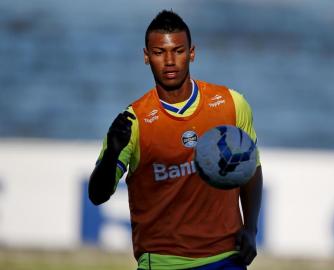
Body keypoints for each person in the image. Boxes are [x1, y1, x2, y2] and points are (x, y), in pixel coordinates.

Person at [89, 10, 263, 270]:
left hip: (226, 258)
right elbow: (97, 195)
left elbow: (251, 169)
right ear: (147, 57)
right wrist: (112, 153)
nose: (169, 61)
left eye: (178, 51)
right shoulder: (132, 122)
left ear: (191, 53)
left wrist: (250, 229)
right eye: (159, 52)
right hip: (162, 263)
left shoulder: (232, 104)